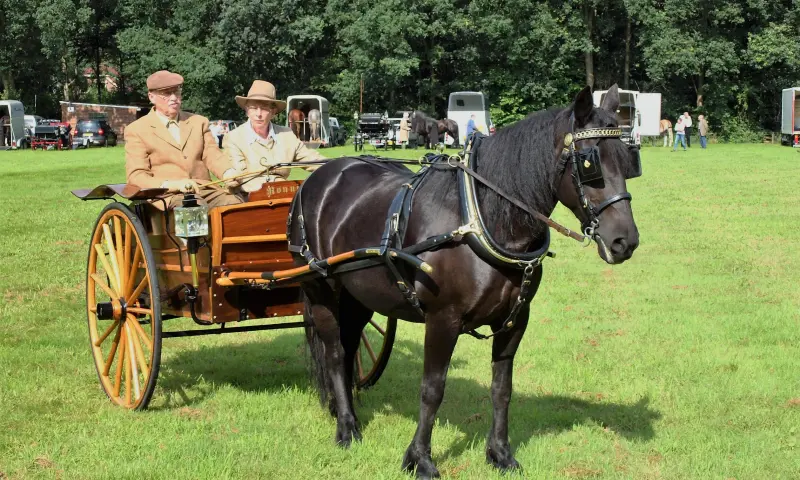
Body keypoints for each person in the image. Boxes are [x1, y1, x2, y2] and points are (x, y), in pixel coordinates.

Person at [125, 70, 242, 209]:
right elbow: (137, 176)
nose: (174, 97)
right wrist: (171, 185)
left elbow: (213, 155)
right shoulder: (137, 130)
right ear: (151, 97)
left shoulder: (199, 122)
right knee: (192, 208)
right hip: (166, 197)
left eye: (177, 92)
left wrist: (228, 173)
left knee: (236, 204)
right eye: (167, 93)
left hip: (204, 190)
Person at [224, 80, 324, 194]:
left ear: (273, 111)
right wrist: (277, 184)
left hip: (281, 196)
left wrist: (338, 164)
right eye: (253, 108)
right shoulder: (233, 138)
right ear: (246, 110)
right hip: (246, 200)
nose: (258, 114)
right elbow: (240, 176)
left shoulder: (286, 135)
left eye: (264, 108)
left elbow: (312, 160)